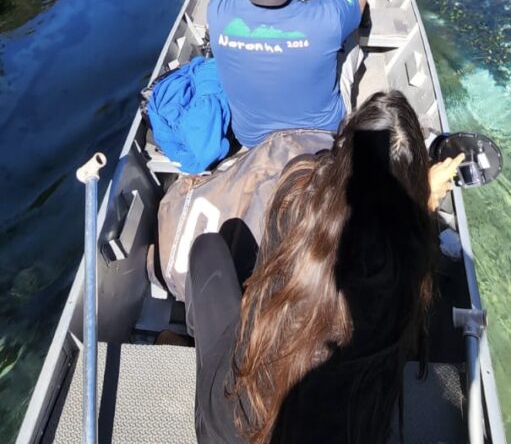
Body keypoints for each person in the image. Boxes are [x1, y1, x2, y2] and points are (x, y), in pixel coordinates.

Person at [185, 90, 465, 444]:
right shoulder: (407, 269)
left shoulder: (296, 189)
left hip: (229, 429)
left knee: (209, 247)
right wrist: (421, 205)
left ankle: (189, 338)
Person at [208, 0, 368, 148]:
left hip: (252, 141)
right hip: (322, 138)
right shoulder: (327, 18)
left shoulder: (219, 9)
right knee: (352, 29)